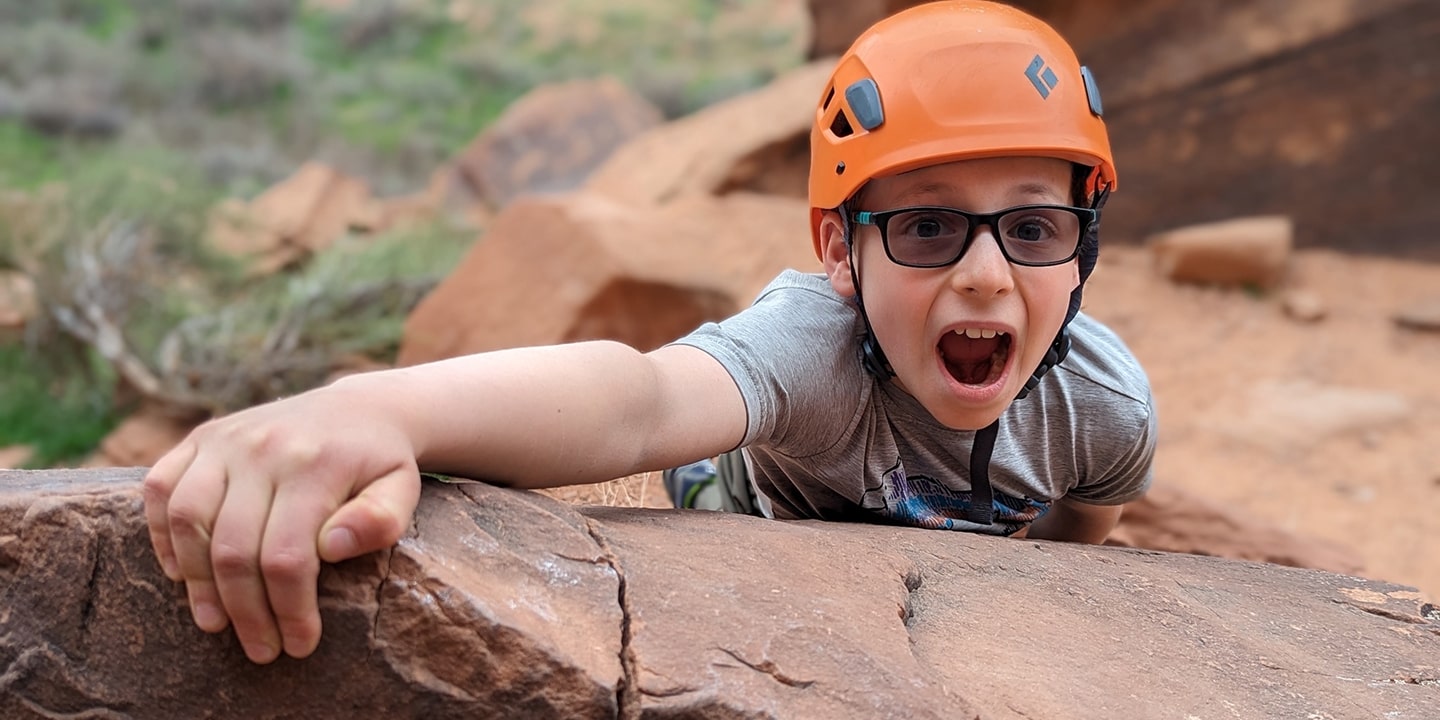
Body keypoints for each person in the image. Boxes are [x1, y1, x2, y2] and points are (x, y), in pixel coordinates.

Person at [143, 0, 1156, 666]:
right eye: (927, 226)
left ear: (1084, 252)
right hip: (756, 512)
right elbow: (642, 402)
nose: (987, 272)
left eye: (1033, 228)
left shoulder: (1103, 412)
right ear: (842, 256)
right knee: (699, 478)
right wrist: (377, 407)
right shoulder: (815, 345)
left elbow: (1085, 528)